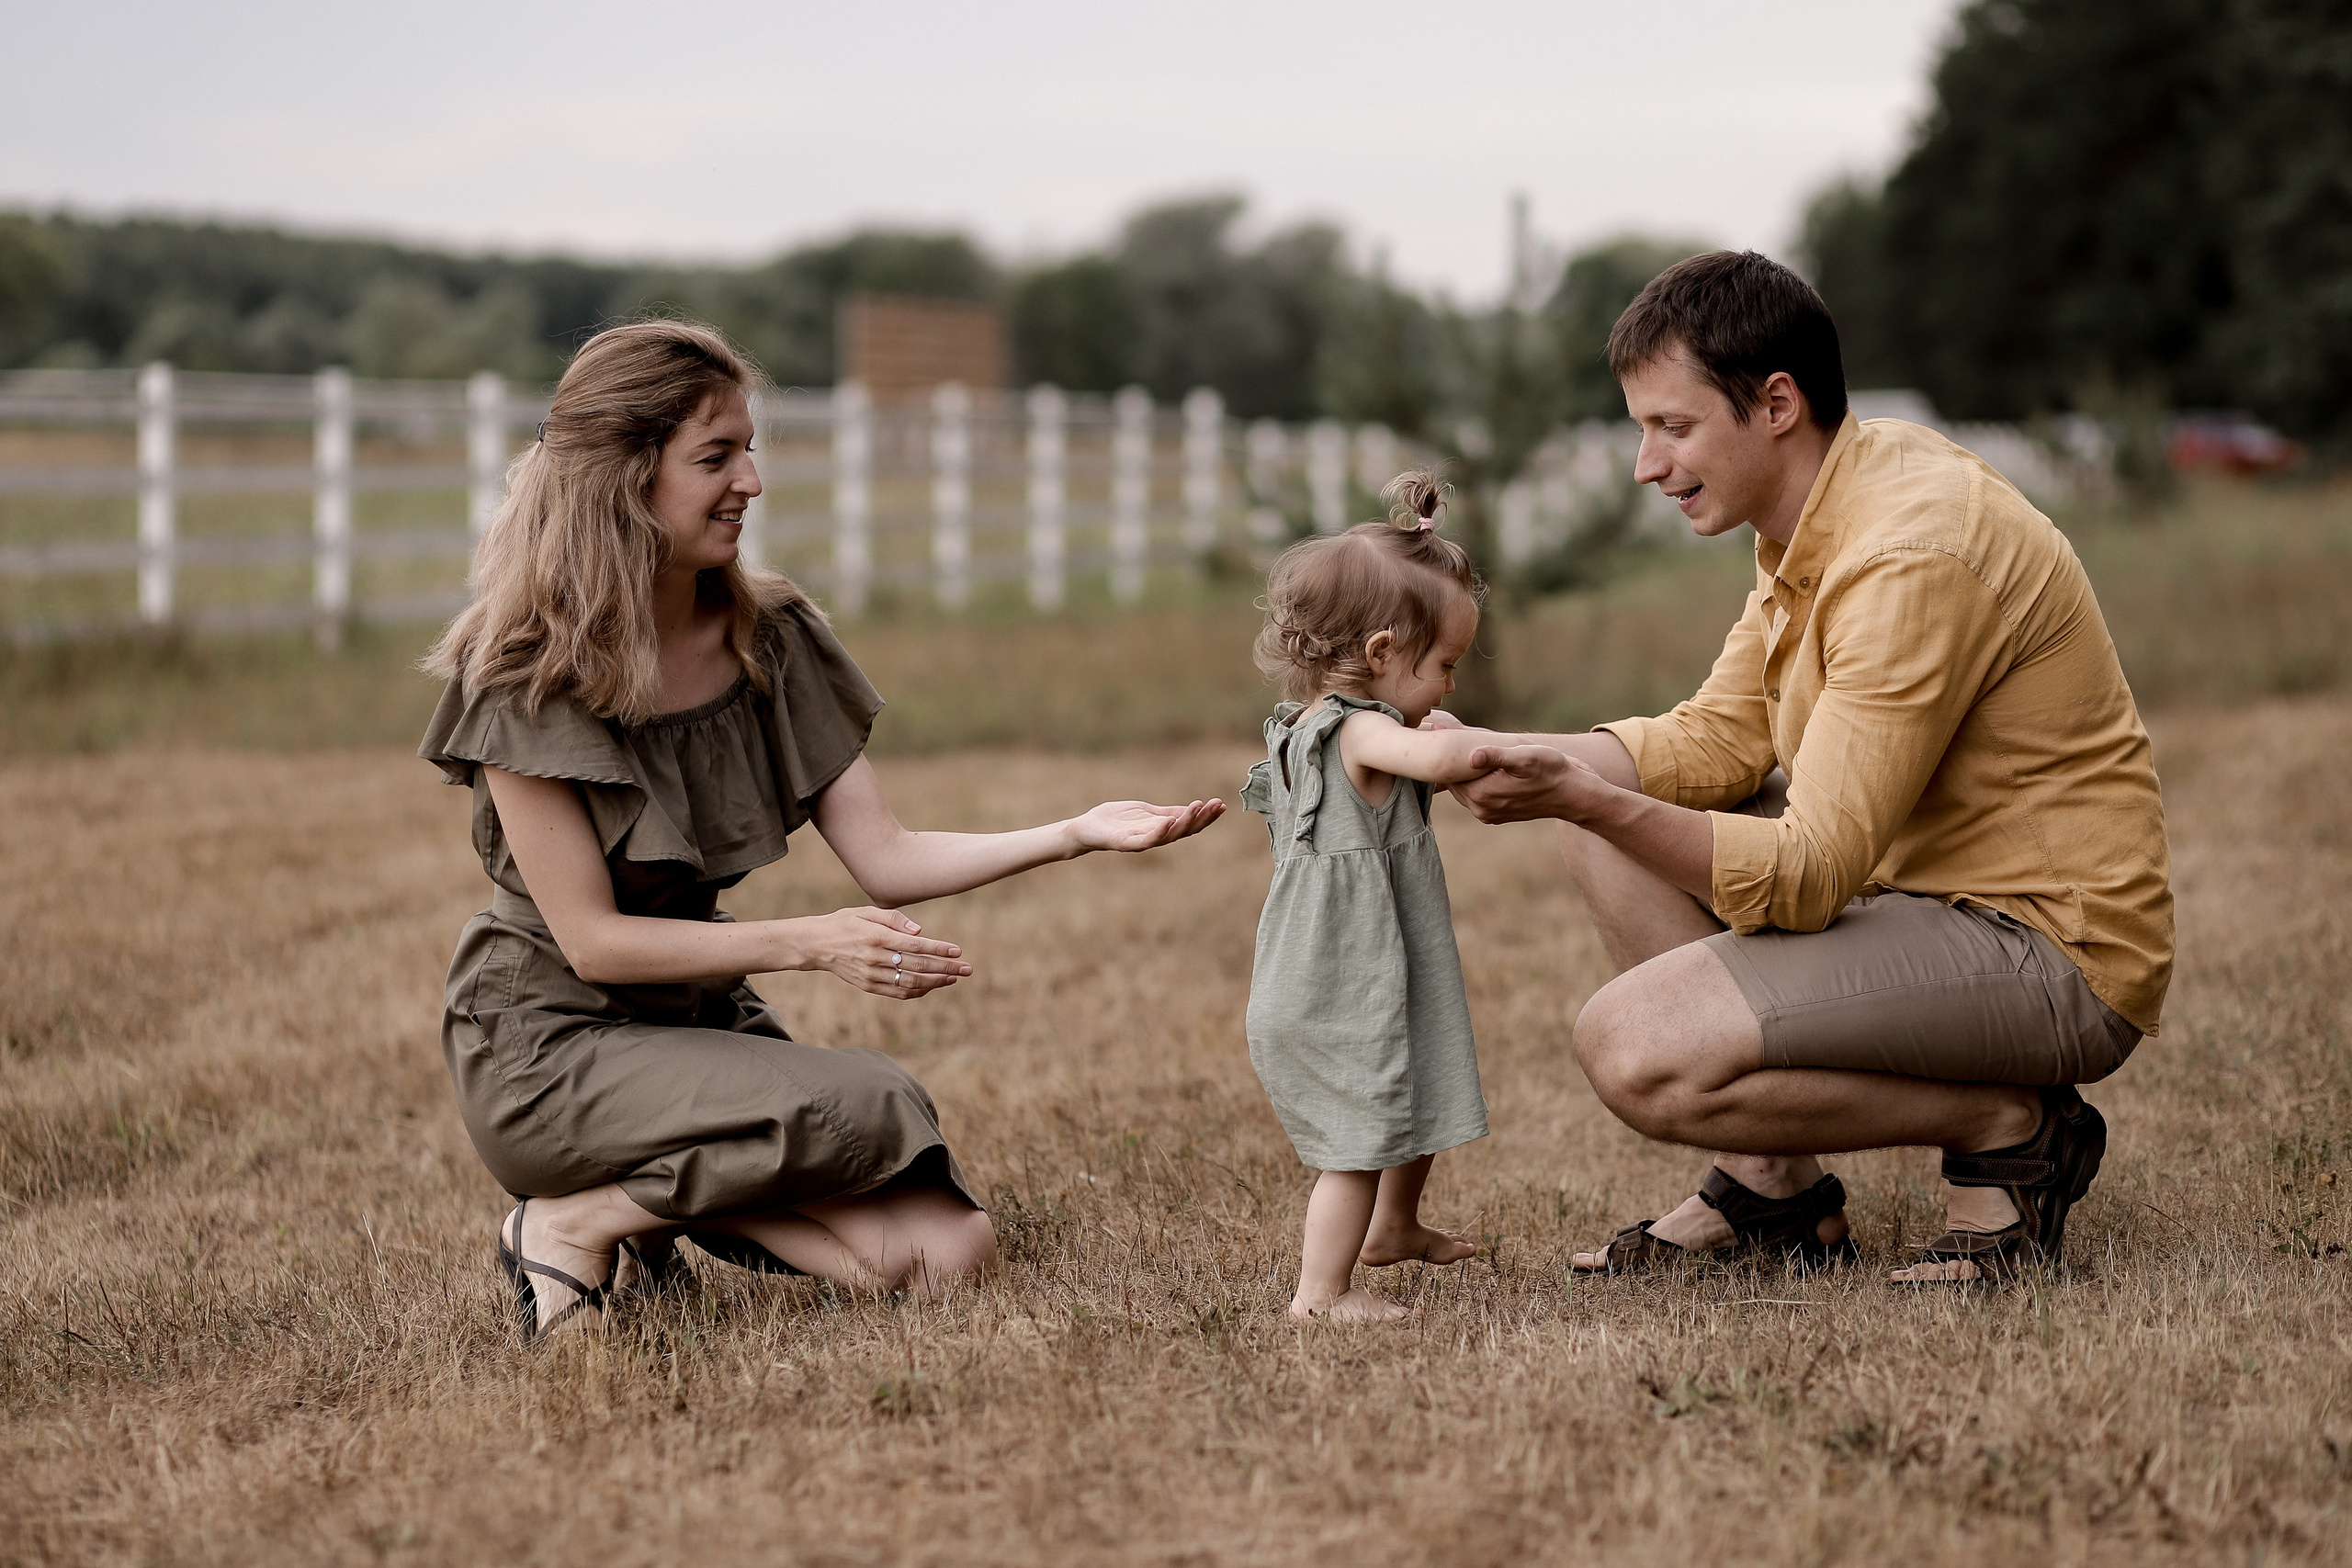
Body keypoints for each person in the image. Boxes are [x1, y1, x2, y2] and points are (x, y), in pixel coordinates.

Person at [419, 320, 1224, 1345]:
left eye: (750, 449)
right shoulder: (530, 676)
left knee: (949, 1254)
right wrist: (812, 941)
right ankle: (577, 1213)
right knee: (875, 1095)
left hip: (691, 1025)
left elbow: (887, 855)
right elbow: (594, 942)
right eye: (715, 456)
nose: (750, 480)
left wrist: (1074, 832)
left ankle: (609, 1216)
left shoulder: (772, 637)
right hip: (549, 1046)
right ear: (622, 478)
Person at [1445, 252, 2172, 1283]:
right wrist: (1476, 755)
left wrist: (1587, 792)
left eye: (1674, 427)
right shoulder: (1824, 500)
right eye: (1641, 427)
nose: (1646, 465)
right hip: (1925, 904)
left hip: (2048, 944)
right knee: (1606, 816)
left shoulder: (1907, 552)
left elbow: (1810, 872)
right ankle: (1771, 1190)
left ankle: (2009, 1123)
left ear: (1775, 403)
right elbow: (1719, 739)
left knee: (1634, 1048)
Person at [1239, 473, 1514, 1322]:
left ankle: (1394, 1227)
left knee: (1418, 1081)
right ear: (1385, 654)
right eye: (1445, 667)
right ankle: (1321, 1295)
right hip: (1337, 974)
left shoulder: (1298, 727)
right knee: (1356, 1144)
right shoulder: (1360, 729)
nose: (1450, 689)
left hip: (1362, 960)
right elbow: (1434, 762)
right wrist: (1464, 745)